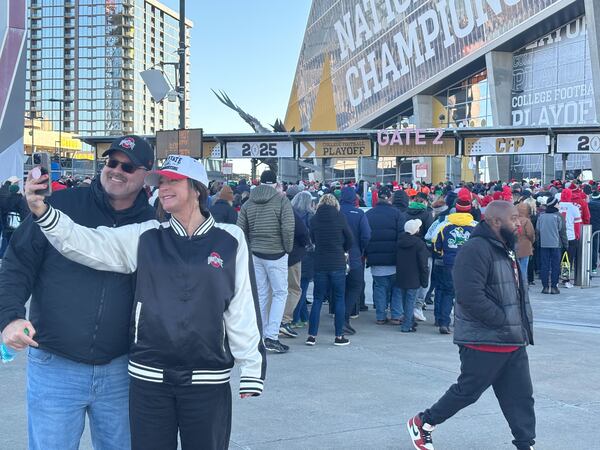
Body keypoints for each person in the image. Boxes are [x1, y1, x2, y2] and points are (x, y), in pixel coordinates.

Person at [25, 155, 265, 450]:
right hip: (148, 379)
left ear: (197, 188)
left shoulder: (230, 239)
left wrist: (251, 368)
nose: (163, 187)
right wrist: (42, 211)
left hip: (208, 379)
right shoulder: (147, 235)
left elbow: (241, 306)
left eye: (172, 181)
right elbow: (90, 243)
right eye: (160, 181)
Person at [0, 135, 156, 450]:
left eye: (128, 167)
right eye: (112, 162)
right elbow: (16, 265)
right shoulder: (60, 205)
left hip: (121, 369)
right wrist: (10, 318)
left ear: (146, 175)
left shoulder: (154, 224)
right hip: (55, 365)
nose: (117, 170)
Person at [408, 201, 535, 450]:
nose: (518, 222)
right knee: (467, 391)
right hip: (483, 340)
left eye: (518, 218)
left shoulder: (506, 248)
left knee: (520, 397)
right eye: (513, 218)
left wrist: (518, 326)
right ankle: (423, 423)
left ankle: (525, 444)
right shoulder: (475, 249)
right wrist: (502, 320)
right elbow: (469, 295)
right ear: (495, 221)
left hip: (512, 339)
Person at [237, 169, 294, 354]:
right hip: (277, 253)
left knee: (261, 294)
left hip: (255, 253)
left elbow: (240, 230)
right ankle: (272, 336)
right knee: (279, 293)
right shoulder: (281, 200)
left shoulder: (248, 202)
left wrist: (248, 248)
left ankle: (258, 336)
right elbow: (287, 228)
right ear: (275, 182)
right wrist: (287, 248)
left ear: (259, 182)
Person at [306, 194, 353, 346]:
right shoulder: (340, 217)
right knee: (339, 298)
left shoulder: (314, 219)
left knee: (318, 299)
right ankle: (339, 336)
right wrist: (343, 249)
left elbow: (312, 239)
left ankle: (312, 336)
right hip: (337, 262)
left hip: (320, 262)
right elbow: (350, 238)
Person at [432, 194, 478, 334]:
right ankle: (462, 323)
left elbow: (435, 244)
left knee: (447, 292)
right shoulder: (475, 227)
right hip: (469, 265)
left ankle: (444, 322)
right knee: (466, 295)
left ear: (455, 209)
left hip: (449, 263)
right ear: (469, 209)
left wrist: (443, 255)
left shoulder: (444, 225)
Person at [365, 186, 405, 325]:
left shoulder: (369, 214)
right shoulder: (397, 214)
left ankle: (380, 316)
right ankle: (396, 315)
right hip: (394, 260)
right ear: (389, 197)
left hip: (375, 260)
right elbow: (401, 236)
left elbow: (365, 236)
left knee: (380, 288)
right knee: (397, 289)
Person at [339, 186, 371, 334]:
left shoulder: (336, 212)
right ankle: (344, 318)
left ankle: (338, 317)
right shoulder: (358, 214)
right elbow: (366, 235)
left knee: (339, 289)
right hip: (354, 255)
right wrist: (362, 250)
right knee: (355, 286)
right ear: (354, 199)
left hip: (336, 254)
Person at [280, 189, 309, 338]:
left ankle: (273, 321)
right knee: (294, 289)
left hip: (269, 254)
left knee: (273, 290)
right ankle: (284, 321)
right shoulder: (288, 210)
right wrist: (305, 245)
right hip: (292, 255)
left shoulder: (259, 208)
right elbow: (303, 232)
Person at [396, 219, 429, 333]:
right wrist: (425, 280)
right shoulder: (419, 244)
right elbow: (423, 264)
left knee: (405, 300)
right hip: (414, 276)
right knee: (411, 301)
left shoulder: (399, 241)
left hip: (401, 275)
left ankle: (409, 320)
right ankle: (407, 325)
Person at [291, 191, 315, 328]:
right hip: (307, 255)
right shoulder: (311, 216)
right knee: (301, 289)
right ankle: (294, 319)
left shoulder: (290, 214)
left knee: (295, 287)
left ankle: (303, 317)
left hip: (292, 254)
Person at [536, 196, 568, 294]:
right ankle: (554, 287)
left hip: (544, 244)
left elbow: (537, 230)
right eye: (558, 203)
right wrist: (566, 245)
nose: (559, 205)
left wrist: (538, 242)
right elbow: (562, 232)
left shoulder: (541, 216)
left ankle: (545, 287)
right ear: (554, 204)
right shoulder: (559, 216)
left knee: (544, 265)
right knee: (555, 266)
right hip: (556, 244)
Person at [557, 188, 581, 288]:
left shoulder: (557, 206)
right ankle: (566, 280)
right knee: (567, 259)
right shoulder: (573, 207)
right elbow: (577, 225)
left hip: (558, 237)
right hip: (570, 237)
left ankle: (556, 279)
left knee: (557, 259)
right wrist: (577, 235)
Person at [0, 179, 29, 258]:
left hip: (7, 224)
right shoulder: (20, 200)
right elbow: (24, 212)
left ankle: (4, 257)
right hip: (17, 224)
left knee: (6, 241)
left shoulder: (5, 198)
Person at [516, 202, 535, 283]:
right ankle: (523, 284)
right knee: (524, 267)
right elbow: (530, 233)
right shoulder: (527, 221)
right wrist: (532, 241)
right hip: (525, 246)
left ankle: (517, 283)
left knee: (516, 267)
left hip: (515, 245)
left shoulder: (513, 219)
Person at [590, 189, 600, 274]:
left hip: (589, 228)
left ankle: (589, 265)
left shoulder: (588, 204)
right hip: (598, 229)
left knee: (590, 247)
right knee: (596, 248)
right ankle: (594, 267)